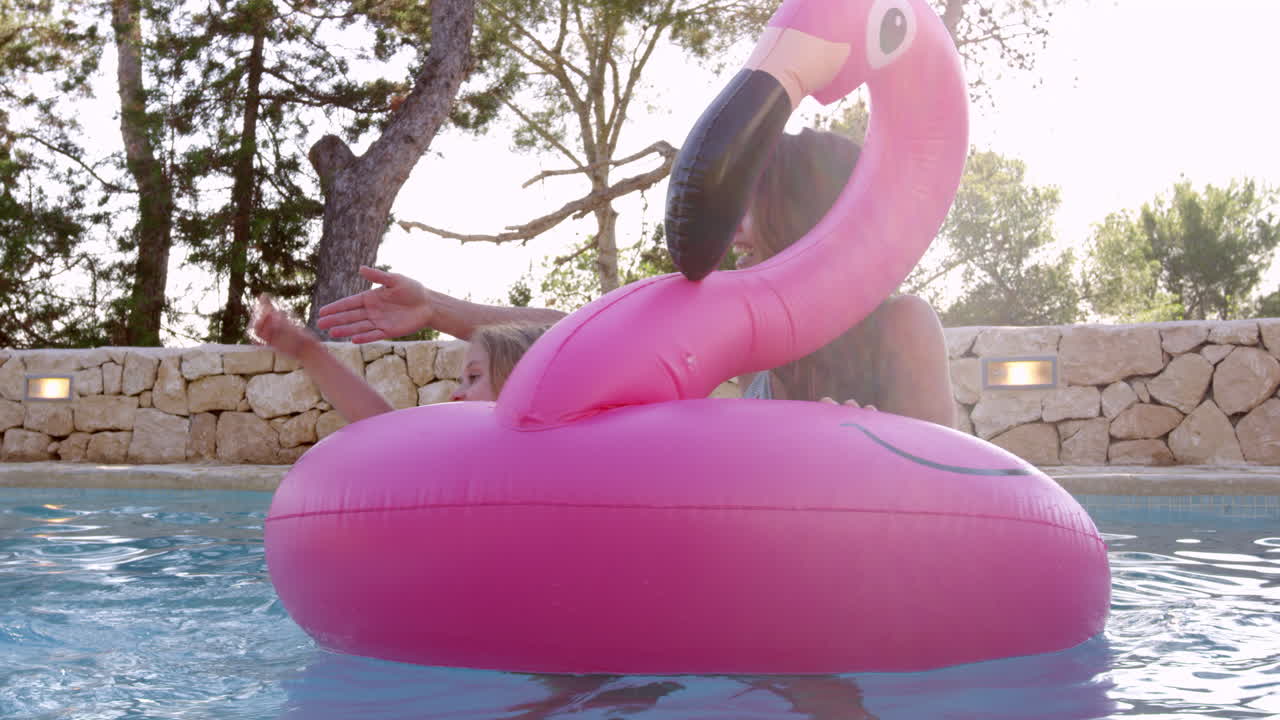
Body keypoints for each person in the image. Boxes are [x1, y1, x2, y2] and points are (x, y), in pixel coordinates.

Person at [316, 128, 954, 427]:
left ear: (800, 212)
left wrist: (874, 443)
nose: (733, 230)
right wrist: (434, 307)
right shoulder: (757, 332)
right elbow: (592, 331)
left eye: (752, 205)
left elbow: (951, 477)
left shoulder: (901, 326)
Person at [250, 295, 550, 421]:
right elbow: (383, 428)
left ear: (521, 381)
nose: (456, 393)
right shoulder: (459, 448)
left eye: (474, 377)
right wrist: (309, 353)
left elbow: (568, 327)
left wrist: (433, 308)